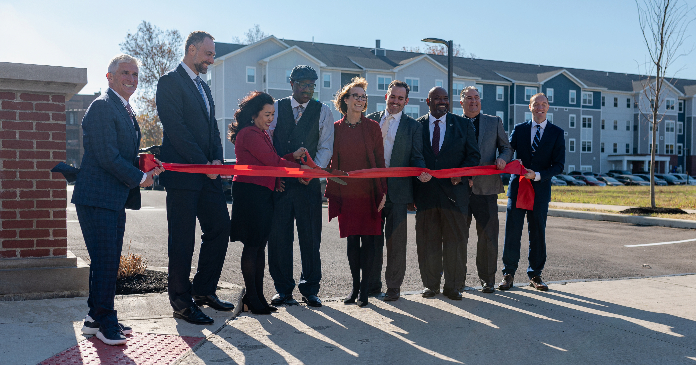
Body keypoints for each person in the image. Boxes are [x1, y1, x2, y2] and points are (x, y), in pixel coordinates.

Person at [72, 54, 164, 345]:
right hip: (97, 197)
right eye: (125, 72)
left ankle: (95, 319)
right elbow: (107, 156)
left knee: (106, 262)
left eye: (136, 74)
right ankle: (105, 321)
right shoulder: (102, 106)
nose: (132, 79)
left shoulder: (125, 109)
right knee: (106, 260)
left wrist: (146, 165)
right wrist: (140, 178)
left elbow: (121, 154)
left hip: (112, 198)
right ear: (110, 76)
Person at [156, 31, 234, 325]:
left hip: (208, 176)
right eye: (208, 54)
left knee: (219, 228)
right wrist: (203, 164)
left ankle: (203, 291)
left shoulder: (205, 88)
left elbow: (212, 128)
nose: (211, 60)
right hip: (183, 178)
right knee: (182, 240)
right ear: (191, 50)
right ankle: (181, 302)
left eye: (212, 55)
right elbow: (176, 130)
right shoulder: (169, 83)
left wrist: (217, 158)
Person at [227, 91, 310, 315]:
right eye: (266, 114)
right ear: (254, 114)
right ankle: (252, 297)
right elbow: (272, 162)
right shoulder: (250, 133)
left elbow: (271, 161)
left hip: (262, 192)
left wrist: (292, 157)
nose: (270, 119)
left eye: (273, 114)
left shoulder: (261, 133)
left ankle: (256, 296)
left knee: (259, 246)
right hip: (250, 194)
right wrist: (301, 169)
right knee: (253, 246)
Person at [267, 65, 334, 308]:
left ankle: (310, 289)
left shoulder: (323, 111)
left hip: (309, 185)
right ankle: (283, 289)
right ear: (291, 83)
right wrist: (277, 173)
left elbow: (326, 146)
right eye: (303, 84)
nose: (308, 89)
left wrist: (315, 171)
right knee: (279, 238)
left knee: (310, 238)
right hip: (281, 184)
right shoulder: (275, 107)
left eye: (312, 85)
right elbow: (269, 143)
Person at [324, 77, 387, 307]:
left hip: (370, 192)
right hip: (347, 193)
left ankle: (364, 291)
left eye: (363, 97)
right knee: (352, 241)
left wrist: (383, 192)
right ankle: (354, 287)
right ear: (346, 100)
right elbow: (331, 161)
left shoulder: (372, 127)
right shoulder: (335, 129)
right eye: (356, 96)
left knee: (369, 242)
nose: (360, 100)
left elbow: (380, 161)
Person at [414, 86, 480, 301]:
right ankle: (430, 285)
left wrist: (460, 174)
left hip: (455, 194)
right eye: (436, 98)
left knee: (455, 242)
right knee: (428, 241)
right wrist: (418, 174)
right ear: (428, 101)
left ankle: (454, 286)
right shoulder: (417, 126)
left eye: (445, 98)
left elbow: (473, 156)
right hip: (426, 194)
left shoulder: (463, 124)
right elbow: (413, 156)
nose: (441, 102)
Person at [365, 80, 429, 301]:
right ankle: (372, 285)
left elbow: (417, 156)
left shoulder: (413, 127)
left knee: (396, 242)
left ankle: (393, 286)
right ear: (386, 96)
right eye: (393, 97)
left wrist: (422, 171)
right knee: (372, 241)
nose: (396, 101)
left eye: (400, 98)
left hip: (398, 193)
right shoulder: (370, 120)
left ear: (406, 101)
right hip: (371, 191)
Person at [499, 93, 565, 292]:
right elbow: (508, 151)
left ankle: (536, 274)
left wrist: (536, 175)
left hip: (540, 190)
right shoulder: (519, 129)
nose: (540, 107)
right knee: (512, 233)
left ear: (548, 107)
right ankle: (508, 274)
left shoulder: (556, 133)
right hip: (518, 188)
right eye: (536, 104)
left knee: (537, 233)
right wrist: (507, 161)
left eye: (543, 104)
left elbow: (559, 165)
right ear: (530, 107)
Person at [459, 86, 513, 293]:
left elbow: (507, 147)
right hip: (459, 189)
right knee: (458, 236)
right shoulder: (454, 123)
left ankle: (487, 279)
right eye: (469, 98)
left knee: (488, 237)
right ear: (461, 101)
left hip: (487, 188)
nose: (473, 101)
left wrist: (503, 158)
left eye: (476, 98)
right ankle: (458, 278)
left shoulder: (494, 122)